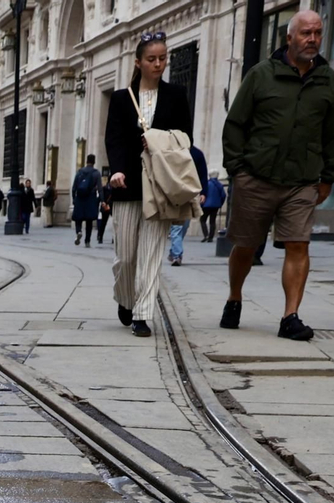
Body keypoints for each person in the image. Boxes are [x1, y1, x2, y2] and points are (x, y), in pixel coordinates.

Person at [220, 10, 334, 341]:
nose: (313, 39)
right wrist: (238, 170)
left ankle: (290, 316)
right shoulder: (261, 75)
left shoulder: (327, 80)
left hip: (302, 179)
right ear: (289, 38)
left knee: (298, 245)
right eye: (306, 33)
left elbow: (332, 133)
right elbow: (235, 125)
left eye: (317, 33)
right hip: (256, 177)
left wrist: (328, 175)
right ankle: (234, 297)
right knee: (245, 246)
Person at [105, 31, 192, 338]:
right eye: (152, 59)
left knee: (151, 254)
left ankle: (143, 313)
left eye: (163, 58)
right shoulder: (119, 98)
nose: (159, 64)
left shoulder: (177, 95)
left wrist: (159, 139)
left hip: (160, 185)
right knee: (126, 257)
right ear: (138, 62)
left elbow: (185, 139)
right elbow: (113, 139)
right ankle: (126, 299)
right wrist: (115, 171)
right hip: (127, 183)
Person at [71, 155, 101, 246]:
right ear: (94, 162)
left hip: (80, 198)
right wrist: (102, 200)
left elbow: (74, 188)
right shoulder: (96, 173)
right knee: (89, 221)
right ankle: (87, 241)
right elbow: (100, 188)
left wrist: (74, 199)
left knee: (78, 218)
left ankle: (79, 231)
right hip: (90, 198)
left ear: (86, 161)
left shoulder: (80, 172)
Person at [200, 169, 225, 242]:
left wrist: (201, 204)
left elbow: (202, 194)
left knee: (203, 220)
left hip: (206, 205)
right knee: (212, 221)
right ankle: (210, 237)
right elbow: (223, 195)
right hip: (215, 206)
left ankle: (206, 235)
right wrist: (220, 203)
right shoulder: (220, 185)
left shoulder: (207, 184)